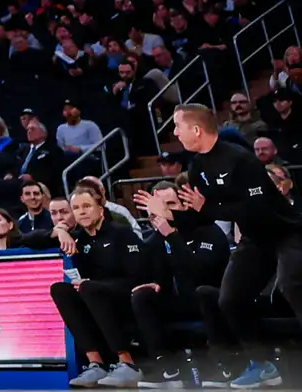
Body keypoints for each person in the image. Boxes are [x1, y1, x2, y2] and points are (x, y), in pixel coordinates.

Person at [151, 104, 302, 388]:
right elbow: (201, 217)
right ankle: (263, 365)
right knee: (230, 299)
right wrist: (171, 216)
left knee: (292, 284)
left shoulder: (241, 159)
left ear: (196, 130)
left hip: (287, 233)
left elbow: (257, 209)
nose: (175, 132)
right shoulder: (197, 167)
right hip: (254, 239)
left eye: (177, 126)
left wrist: (209, 207)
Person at [129, 180, 229, 389]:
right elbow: (153, 277)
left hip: (212, 299)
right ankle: (166, 367)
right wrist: (153, 284)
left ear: (184, 206)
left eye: (171, 205)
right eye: (158, 207)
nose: (164, 212)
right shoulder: (153, 241)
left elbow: (200, 273)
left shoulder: (208, 231)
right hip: (179, 302)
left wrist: (172, 236)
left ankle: (222, 364)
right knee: (142, 296)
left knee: (203, 293)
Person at [49, 186, 144, 388]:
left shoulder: (121, 233)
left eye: (87, 206)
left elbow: (136, 277)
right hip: (92, 294)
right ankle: (96, 363)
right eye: (76, 208)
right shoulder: (79, 238)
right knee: (60, 289)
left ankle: (127, 363)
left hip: (126, 293)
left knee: (88, 287)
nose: (82, 212)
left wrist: (94, 285)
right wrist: (60, 231)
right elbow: (28, 238)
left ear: (100, 209)